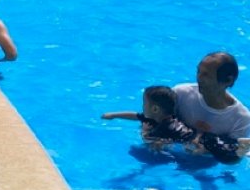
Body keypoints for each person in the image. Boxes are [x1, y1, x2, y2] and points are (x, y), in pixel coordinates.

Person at [101, 85, 250, 164]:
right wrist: (114, 115)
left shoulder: (162, 127)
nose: (142, 107)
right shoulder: (166, 118)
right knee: (224, 144)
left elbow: (156, 140)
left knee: (225, 156)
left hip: (196, 141)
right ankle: (238, 144)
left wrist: (154, 142)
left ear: (155, 109)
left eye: (144, 104)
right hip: (204, 136)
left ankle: (240, 150)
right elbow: (136, 116)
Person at [173, 52, 250, 140]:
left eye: (206, 74)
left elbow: (232, 150)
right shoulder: (180, 94)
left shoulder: (241, 119)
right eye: (198, 71)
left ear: (227, 81)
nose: (199, 78)